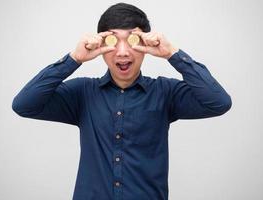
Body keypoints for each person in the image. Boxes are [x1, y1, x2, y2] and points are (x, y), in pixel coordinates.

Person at [12, 2, 232, 200]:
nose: (123, 51)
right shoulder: (82, 93)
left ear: (145, 44)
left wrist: (172, 53)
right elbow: (23, 105)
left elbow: (219, 102)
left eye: (132, 40)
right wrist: (74, 59)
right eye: (113, 41)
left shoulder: (165, 93)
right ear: (100, 45)